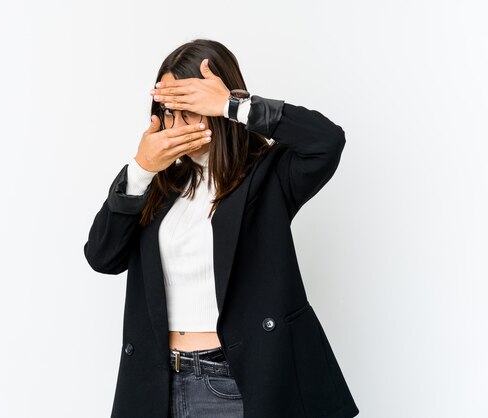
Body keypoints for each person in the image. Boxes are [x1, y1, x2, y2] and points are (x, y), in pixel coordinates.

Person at [84, 39, 359, 418]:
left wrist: (235, 105)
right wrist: (140, 169)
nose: (175, 124)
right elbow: (102, 256)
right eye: (168, 111)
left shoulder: (266, 176)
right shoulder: (158, 186)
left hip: (235, 382)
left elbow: (327, 141)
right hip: (159, 384)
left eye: (190, 107)